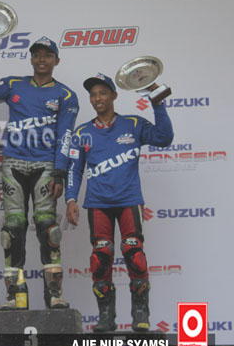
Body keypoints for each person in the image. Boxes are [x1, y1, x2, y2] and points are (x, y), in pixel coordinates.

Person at [0, 36, 79, 310]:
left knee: (49, 228)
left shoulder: (66, 95)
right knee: (12, 229)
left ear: (56, 60)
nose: (42, 59)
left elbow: (65, 136)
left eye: (47, 55)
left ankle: (54, 293)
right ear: (31, 59)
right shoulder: (14, 84)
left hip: (46, 166)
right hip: (14, 164)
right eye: (37, 55)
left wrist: (60, 172)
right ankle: (15, 294)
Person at [65, 73, 174, 332]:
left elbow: (164, 137)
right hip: (97, 203)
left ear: (114, 95)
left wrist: (157, 103)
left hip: (129, 201)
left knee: (134, 255)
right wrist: (70, 198)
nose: (97, 98)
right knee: (100, 258)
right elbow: (74, 169)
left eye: (103, 93)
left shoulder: (133, 124)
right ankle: (106, 316)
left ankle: (140, 313)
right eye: (93, 94)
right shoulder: (82, 132)